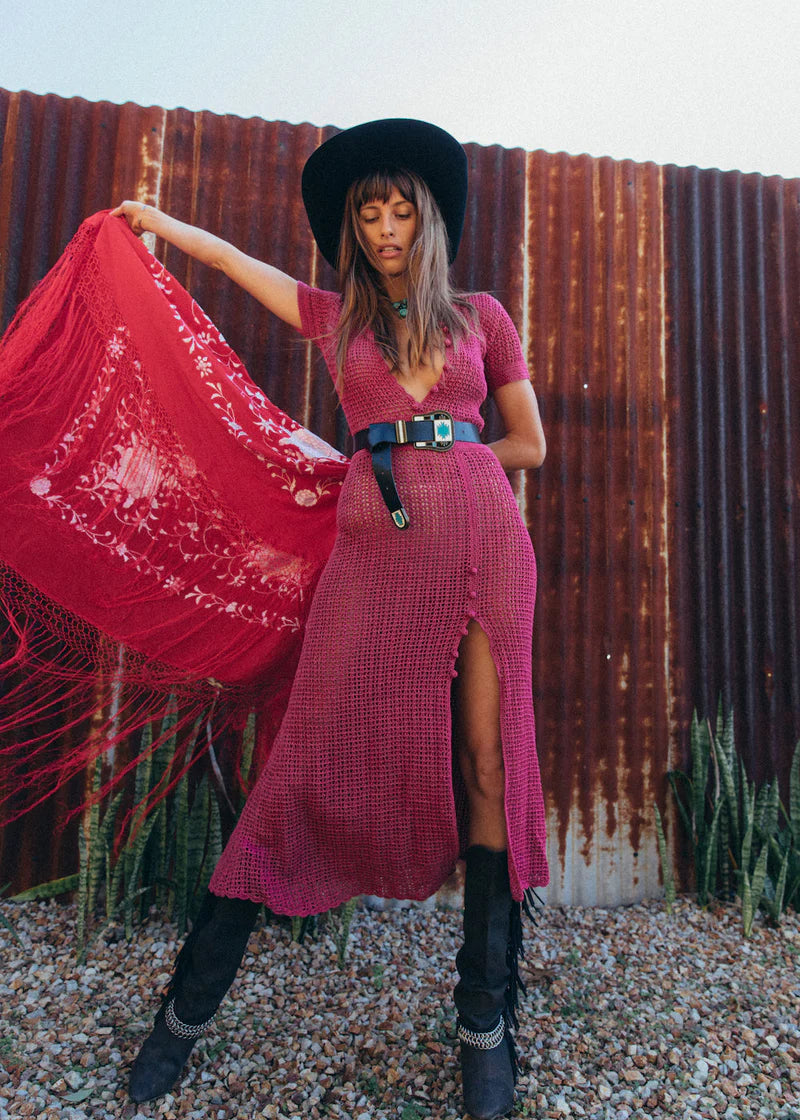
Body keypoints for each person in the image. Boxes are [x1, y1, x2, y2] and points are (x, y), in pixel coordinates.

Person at [110, 117, 547, 1120]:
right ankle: (181, 1018)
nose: (386, 226)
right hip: (374, 558)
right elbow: (230, 262)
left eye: (399, 208)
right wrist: (158, 223)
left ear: (426, 217)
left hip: (485, 544)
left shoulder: (483, 316)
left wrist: (448, 450)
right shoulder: (335, 317)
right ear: (352, 227)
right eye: (368, 212)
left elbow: (528, 443)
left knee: (485, 763)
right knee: (302, 763)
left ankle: (485, 1022)